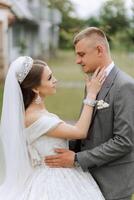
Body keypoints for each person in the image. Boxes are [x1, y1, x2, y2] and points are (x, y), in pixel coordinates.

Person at [45, 27, 134, 200]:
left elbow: (124, 141)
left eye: (82, 54)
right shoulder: (93, 83)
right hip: (87, 181)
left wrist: (77, 159)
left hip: (112, 183)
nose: (77, 60)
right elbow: (85, 130)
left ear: (99, 50)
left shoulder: (125, 86)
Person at [0, 56, 106, 199]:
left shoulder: (35, 113)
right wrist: (91, 95)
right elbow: (80, 131)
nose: (55, 80)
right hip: (53, 178)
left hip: (57, 171)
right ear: (36, 88)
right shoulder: (35, 118)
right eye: (49, 78)